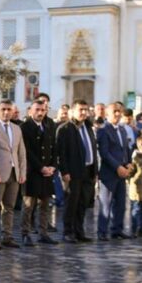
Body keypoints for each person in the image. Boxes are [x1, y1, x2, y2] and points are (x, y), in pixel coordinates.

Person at [0, 100, 27, 249]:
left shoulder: (17, 128)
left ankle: (7, 236)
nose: (6, 112)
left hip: (14, 174)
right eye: (3, 109)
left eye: (9, 109)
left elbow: (21, 152)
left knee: (9, 207)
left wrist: (22, 172)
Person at [56, 100, 97, 243]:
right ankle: (68, 232)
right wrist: (64, 172)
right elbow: (61, 153)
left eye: (86, 109)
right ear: (72, 111)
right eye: (81, 110)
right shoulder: (65, 129)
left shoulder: (88, 127)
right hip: (73, 173)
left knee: (82, 203)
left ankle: (79, 231)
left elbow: (92, 148)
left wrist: (95, 172)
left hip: (88, 171)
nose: (84, 113)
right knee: (71, 203)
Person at [20, 100, 57, 245]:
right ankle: (25, 234)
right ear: (30, 111)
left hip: (47, 173)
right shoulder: (24, 127)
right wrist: (41, 167)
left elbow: (54, 148)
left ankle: (43, 233)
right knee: (28, 206)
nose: (40, 113)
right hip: (32, 172)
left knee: (44, 204)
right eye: (37, 110)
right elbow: (27, 151)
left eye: (43, 110)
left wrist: (53, 166)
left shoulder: (48, 126)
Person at [96, 102, 134, 241]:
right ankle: (102, 231)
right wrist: (118, 167)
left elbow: (126, 149)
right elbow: (104, 153)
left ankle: (117, 230)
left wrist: (129, 163)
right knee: (105, 204)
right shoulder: (103, 130)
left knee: (121, 204)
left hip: (122, 173)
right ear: (107, 114)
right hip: (109, 173)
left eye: (119, 111)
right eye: (114, 112)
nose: (117, 114)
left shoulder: (123, 130)